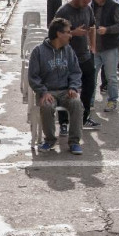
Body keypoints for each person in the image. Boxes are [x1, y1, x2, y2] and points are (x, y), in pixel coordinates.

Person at [28, 18, 84, 155]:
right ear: (59, 34)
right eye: (68, 32)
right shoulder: (38, 52)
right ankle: (50, 140)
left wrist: (73, 87)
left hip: (66, 91)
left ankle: (74, 142)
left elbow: (76, 72)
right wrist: (43, 92)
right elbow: (33, 76)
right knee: (46, 106)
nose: (70, 35)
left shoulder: (69, 51)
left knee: (77, 103)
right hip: (48, 91)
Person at [55, 0, 100, 133]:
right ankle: (64, 121)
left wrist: (93, 46)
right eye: (84, 1)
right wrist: (73, 33)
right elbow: (54, 34)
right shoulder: (64, 11)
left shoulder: (88, 9)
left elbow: (92, 27)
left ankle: (84, 116)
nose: (86, 4)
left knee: (89, 87)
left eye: (88, 1)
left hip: (84, 55)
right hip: (66, 57)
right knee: (65, 89)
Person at [91, 0, 119, 112]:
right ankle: (89, 101)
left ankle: (112, 100)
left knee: (111, 77)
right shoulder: (92, 5)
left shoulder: (114, 6)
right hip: (95, 47)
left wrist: (107, 30)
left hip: (109, 47)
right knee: (91, 76)